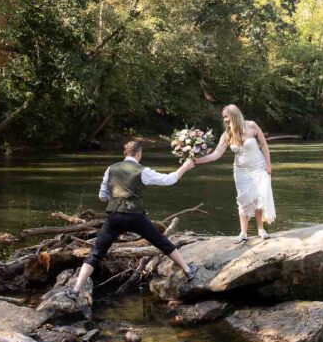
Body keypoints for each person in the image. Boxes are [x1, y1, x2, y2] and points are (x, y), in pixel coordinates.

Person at [65, 140, 199, 313]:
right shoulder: (142, 171)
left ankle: (75, 290)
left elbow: (102, 197)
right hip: (135, 216)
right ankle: (188, 271)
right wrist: (185, 168)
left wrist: (116, 196)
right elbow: (168, 180)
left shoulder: (110, 169)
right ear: (138, 154)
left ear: (124, 153)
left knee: (96, 253)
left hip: (114, 216)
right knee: (160, 241)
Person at [194, 104, 275, 243]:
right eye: (223, 117)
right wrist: (197, 160)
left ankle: (261, 229)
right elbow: (216, 154)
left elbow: (263, 145)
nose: (225, 120)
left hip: (258, 167)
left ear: (234, 115)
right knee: (243, 199)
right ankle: (243, 233)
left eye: (226, 116)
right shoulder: (227, 135)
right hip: (241, 171)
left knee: (259, 197)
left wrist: (268, 164)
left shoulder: (252, 126)